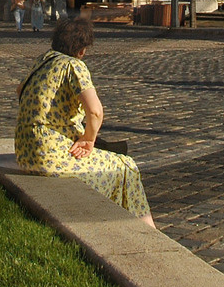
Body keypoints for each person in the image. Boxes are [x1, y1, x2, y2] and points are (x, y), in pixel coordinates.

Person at [15, 17, 154, 227]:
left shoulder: (44, 59)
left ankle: (120, 222)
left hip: (24, 150)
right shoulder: (74, 66)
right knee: (126, 166)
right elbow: (95, 112)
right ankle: (146, 230)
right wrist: (89, 139)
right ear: (82, 49)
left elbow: (19, 90)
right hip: (49, 154)